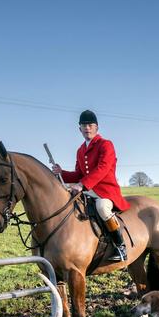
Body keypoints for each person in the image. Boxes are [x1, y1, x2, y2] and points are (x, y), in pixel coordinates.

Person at [52, 110, 130, 262]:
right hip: (87, 190)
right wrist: (61, 173)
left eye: (90, 125)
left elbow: (103, 168)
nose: (87, 128)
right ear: (79, 129)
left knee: (102, 208)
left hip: (105, 191)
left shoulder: (106, 144)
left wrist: (82, 184)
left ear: (96, 127)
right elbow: (79, 174)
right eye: (84, 125)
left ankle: (120, 246)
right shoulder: (80, 150)